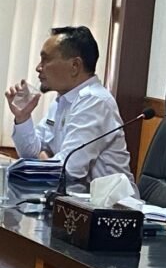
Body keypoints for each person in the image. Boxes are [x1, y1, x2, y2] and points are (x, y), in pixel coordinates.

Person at [4, 26, 137, 193]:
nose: (38, 67)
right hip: (68, 200)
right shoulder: (62, 101)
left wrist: (43, 157)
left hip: (110, 205)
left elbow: (67, 170)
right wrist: (23, 118)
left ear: (75, 65)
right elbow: (31, 153)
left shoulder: (95, 101)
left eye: (45, 60)